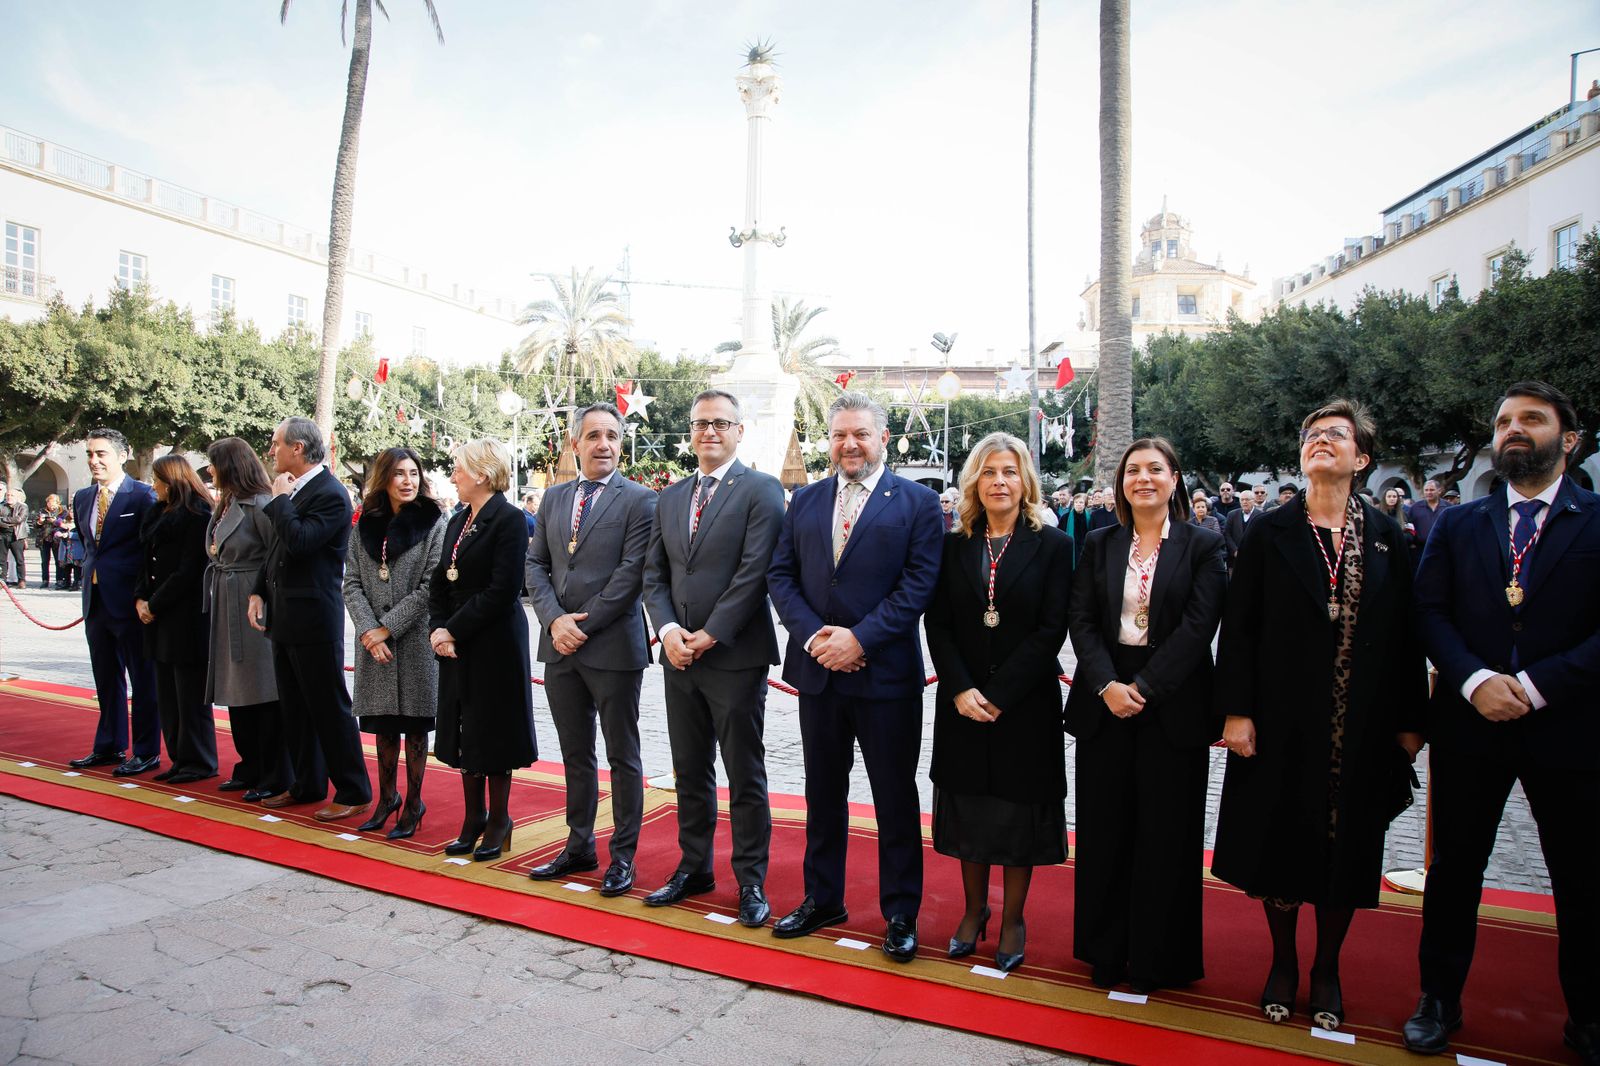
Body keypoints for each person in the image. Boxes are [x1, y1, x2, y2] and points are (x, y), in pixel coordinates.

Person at [1212, 399, 1426, 1031]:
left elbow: (1407, 634)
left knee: (1349, 848)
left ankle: (1327, 966)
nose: (1321, 442)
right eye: (1311, 436)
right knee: (1281, 842)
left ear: (1361, 458)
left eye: (1337, 435)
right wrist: (1235, 713)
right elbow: (1239, 629)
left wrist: (1411, 723)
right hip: (1282, 719)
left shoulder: (1387, 537)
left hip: (1359, 723)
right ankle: (1283, 961)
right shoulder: (1268, 531)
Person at [1403, 382, 1600, 1063]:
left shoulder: (1597, 520)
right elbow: (1428, 611)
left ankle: (1589, 1016)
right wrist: (1477, 679)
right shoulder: (1459, 524)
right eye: (1505, 421)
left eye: (1532, 420)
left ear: (1568, 439)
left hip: (1570, 729)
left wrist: (1539, 686)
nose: (1514, 429)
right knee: (1455, 871)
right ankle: (1438, 998)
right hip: (1471, 725)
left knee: (1581, 877)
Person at [766, 392, 943, 961]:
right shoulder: (808, 500)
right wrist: (817, 637)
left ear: (882, 439)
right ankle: (823, 898)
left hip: (885, 678)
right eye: (840, 434)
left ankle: (900, 913)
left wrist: (859, 639)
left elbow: (918, 586)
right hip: (819, 673)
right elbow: (781, 575)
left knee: (893, 798)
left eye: (860, 434)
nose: (849, 444)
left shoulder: (917, 502)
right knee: (823, 793)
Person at [1066, 437, 1227, 993]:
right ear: (1121, 483)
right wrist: (1108, 683)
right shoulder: (1098, 542)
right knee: (1107, 831)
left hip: (1173, 703)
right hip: (1104, 700)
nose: (1143, 479)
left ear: (1175, 479)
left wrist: (1147, 687)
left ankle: (1159, 955)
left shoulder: (1205, 545)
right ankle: (1105, 950)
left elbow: (1199, 628)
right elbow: (1081, 620)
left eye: (1155, 469)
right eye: (1133, 470)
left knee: (1166, 835)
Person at [925, 432, 1073, 973]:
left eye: (1009, 471)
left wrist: (999, 693)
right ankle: (972, 911)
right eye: (989, 472)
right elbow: (937, 623)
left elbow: (1052, 628)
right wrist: (962, 688)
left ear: (1025, 480)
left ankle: (1013, 918)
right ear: (974, 482)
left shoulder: (1053, 546)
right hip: (961, 703)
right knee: (969, 809)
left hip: (1024, 706)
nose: (999, 481)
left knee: (1014, 813)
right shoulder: (953, 544)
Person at [641, 390, 785, 926]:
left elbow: (754, 574)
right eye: (701, 423)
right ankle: (694, 866)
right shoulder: (672, 497)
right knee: (689, 769)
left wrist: (711, 633)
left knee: (744, 773)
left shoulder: (762, 491)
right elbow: (654, 575)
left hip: (734, 657)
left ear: (739, 431)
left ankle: (751, 880)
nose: (709, 432)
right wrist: (671, 630)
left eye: (721, 423)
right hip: (679, 656)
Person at [526, 404, 658, 894]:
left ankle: (623, 856)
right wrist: (554, 619)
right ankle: (579, 844)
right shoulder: (554, 498)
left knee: (623, 755)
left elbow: (631, 576)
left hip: (613, 648)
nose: (604, 444)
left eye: (612, 436)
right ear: (575, 443)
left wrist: (581, 625)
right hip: (559, 647)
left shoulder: (641, 501)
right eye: (594, 435)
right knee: (575, 752)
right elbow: (535, 565)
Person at [247, 417, 372, 822]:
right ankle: (307, 784)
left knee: (327, 705)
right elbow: (276, 550)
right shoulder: (293, 489)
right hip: (285, 614)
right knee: (295, 706)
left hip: (314, 616)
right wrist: (258, 590)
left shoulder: (331, 493)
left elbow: (301, 542)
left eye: (276, 443)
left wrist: (280, 503)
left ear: (297, 448)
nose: (272, 451)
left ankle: (353, 788)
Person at [429, 439, 538, 861]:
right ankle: (473, 817)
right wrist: (439, 627)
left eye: (458, 468)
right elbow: (441, 580)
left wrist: (451, 629)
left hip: (493, 639)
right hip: (456, 637)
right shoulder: (458, 519)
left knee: (492, 728)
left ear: (481, 473)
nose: (453, 475)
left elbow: (503, 589)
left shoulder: (508, 519)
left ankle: (499, 820)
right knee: (462, 725)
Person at [344, 447, 446, 839]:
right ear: (384, 478)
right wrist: (370, 632)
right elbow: (351, 582)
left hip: (414, 641)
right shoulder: (364, 524)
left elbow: (430, 587)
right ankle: (388, 798)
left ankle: (415, 802)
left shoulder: (435, 522)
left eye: (414, 473)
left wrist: (387, 626)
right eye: (400, 474)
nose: (408, 481)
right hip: (375, 646)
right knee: (384, 728)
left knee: (415, 729)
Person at [68, 429, 161, 775]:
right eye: (90, 454)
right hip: (95, 601)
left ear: (122, 456)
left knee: (143, 678)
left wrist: (145, 597)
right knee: (106, 678)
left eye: (101, 454)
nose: (94, 461)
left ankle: (147, 750)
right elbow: (90, 546)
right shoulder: (81, 497)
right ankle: (108, 746)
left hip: (132, 603)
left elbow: (151, 551)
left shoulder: (142, 496)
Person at [204, 438, 291, 801]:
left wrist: (261, 597)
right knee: (237, 690)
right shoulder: (224, 504)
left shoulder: (260, 504)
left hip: (254, 606)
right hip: (227, 600)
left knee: (262, 691)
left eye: (213, 464)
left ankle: (273, 772)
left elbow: (277, 556)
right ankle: (249, 764)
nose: (209, 470)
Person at [134, 455, 218, 784]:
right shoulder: (157, 514)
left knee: (189, 695)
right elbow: (146, 562)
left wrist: (154, 603)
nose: (153, 486)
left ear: (171, 481)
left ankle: (198, 760)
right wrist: (141, 597)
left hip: (183, 617)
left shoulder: (197, 515)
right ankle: (179, 758)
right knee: (166, 693)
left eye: (157, 480)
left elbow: (188, 571)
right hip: (157, 616)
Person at [32, 494, 65, 590]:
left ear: (57, 502)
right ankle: (45, 580)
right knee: (45, 561)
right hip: (44, 539)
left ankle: (59, 579)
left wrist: (55, 521)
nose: (50, 504)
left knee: (59, 561)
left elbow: (65, 523)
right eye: (48, 502)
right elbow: (35, 525)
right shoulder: (42, 511)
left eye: (52, 502)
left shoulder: (62, 511)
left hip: (57, 539)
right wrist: (40, 521)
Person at [1222, 481, 1258, 568]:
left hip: (1254, 557)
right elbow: (1227, 534)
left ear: (1253, 501)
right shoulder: (1232, 514)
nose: (1245, 502)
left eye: (1247, 499)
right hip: (1234, 559)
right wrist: (1234, 551)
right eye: (1242, 500)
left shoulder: (1260, 515)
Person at [0, 487, 27, 588]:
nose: (9, 497)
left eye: (12, 495)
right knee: (1, 560)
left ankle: (21, 580)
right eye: (8, 495)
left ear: (17, 497)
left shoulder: (23, 507)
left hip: (17, 536)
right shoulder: (1, 506)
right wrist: (8, 524)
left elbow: (19, 519)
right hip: (2, 535)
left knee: (19, 559)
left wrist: (3, 520)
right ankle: (2, 580)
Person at [1059, 492, 1090, 566]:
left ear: (1085, 504)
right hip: (1071, 548)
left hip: (1084, 548)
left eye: (1081, 502)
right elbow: (1060, 534)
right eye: (1076, 502)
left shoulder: (1090, 518)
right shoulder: (1065, 518)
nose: (1078, 504)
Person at [56, 509, 84, 590]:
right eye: (71, 512)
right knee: (66, 568)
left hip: (76, 549)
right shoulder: (63, 522)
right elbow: (56, 530)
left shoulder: (81, 522)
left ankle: (76, 583)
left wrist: (69, 534)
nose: (72, 513)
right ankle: (66, 582)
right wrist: (57, 534)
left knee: (76, 568)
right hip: (65, 548)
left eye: (73, 512)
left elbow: (82, 535)